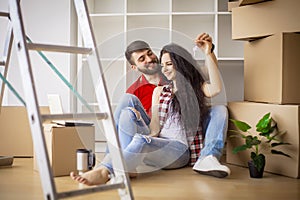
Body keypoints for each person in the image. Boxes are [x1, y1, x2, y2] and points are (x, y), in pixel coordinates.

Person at [70, 33, 230, 186]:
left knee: (220, 109)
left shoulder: (192, 87)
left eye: (168, 64)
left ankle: (107, 171)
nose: (163, 67)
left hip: (180, 149)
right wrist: (140, 127)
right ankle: (119, 163)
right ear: (134, 66)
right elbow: (155, 128)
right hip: (158, 143)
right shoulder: (157, 91)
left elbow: (214, 85)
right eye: (163, 64)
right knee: (129, 111)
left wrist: (208, 52)